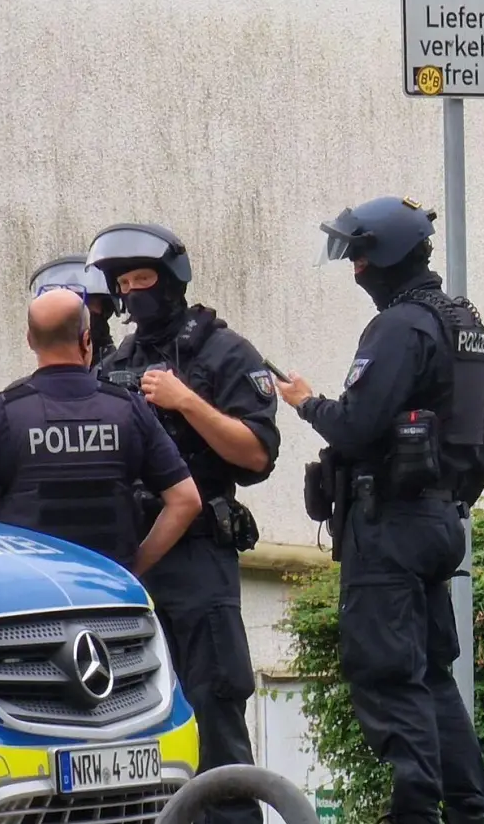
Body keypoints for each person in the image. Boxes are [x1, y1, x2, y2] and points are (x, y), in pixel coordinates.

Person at [273, 196, 484, 824]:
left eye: (361, 256)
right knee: (432, 677)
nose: (356, 271)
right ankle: (468, 812)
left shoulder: (400, 327)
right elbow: (481, 439)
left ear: (388, 255)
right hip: (438, 521)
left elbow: (359, 425)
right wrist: (447, 504)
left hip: (390, 526)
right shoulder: (465, 324)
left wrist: (306, 402)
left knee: (390, 676)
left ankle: (415, 815)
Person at [84, 222, 279, 824]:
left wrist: (185, 401)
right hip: (131, 564)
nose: (135, 292)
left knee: (215, 711)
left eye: (144, 278)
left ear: (171, 281)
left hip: (198, 561)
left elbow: (257, 455)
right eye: (124, 283)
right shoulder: (115, 364)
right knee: (128, 723)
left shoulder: (225, 353)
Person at [0, 287, 202, 575]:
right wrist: (132, 570)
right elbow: (186, 500)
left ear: (30, 340)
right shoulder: (128, 408)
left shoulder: (3, 412)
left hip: (34, 596)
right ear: (86, 340)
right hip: (111, 595)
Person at [29, 254, 120, 368]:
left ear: (105, 309)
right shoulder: (37, 381)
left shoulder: (121, 371)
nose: (74, 313)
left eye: (85, 303)